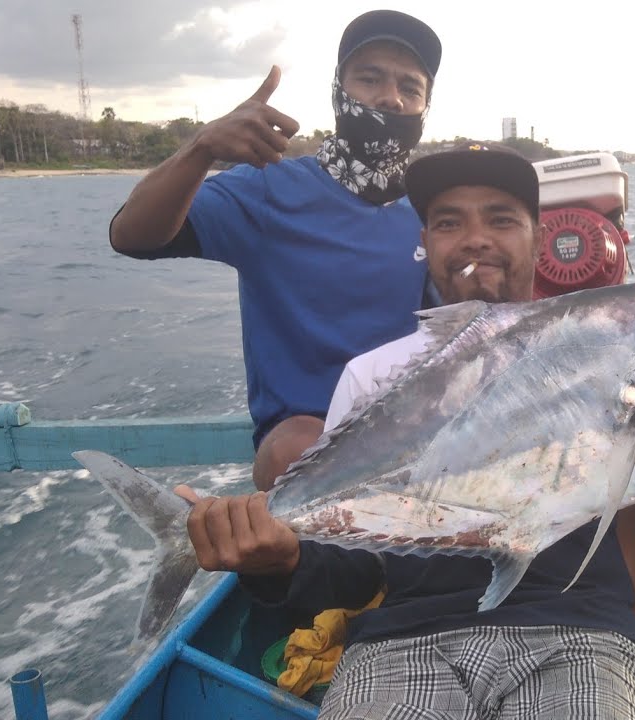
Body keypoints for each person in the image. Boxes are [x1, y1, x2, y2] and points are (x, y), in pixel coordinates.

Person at [173, 148, 635, 719]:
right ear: (425, 244)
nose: (476, 238)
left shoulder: (605, 353)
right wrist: (278, 557)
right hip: (403, 641)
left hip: (582, 632)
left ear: (538, 235)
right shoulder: (374, 375)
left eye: (502, 219)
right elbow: (355, 571)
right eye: (448, 222)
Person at [108, 10, 444, 491]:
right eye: (370, 79)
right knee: (295, 446)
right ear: (338, 90)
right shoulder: (268, 188)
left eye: (410, 88)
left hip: (422, 439)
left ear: (425, 106)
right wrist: (201, 148)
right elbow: (131, 235)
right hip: (306, 454)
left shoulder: (435, 210)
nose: (390, 96)